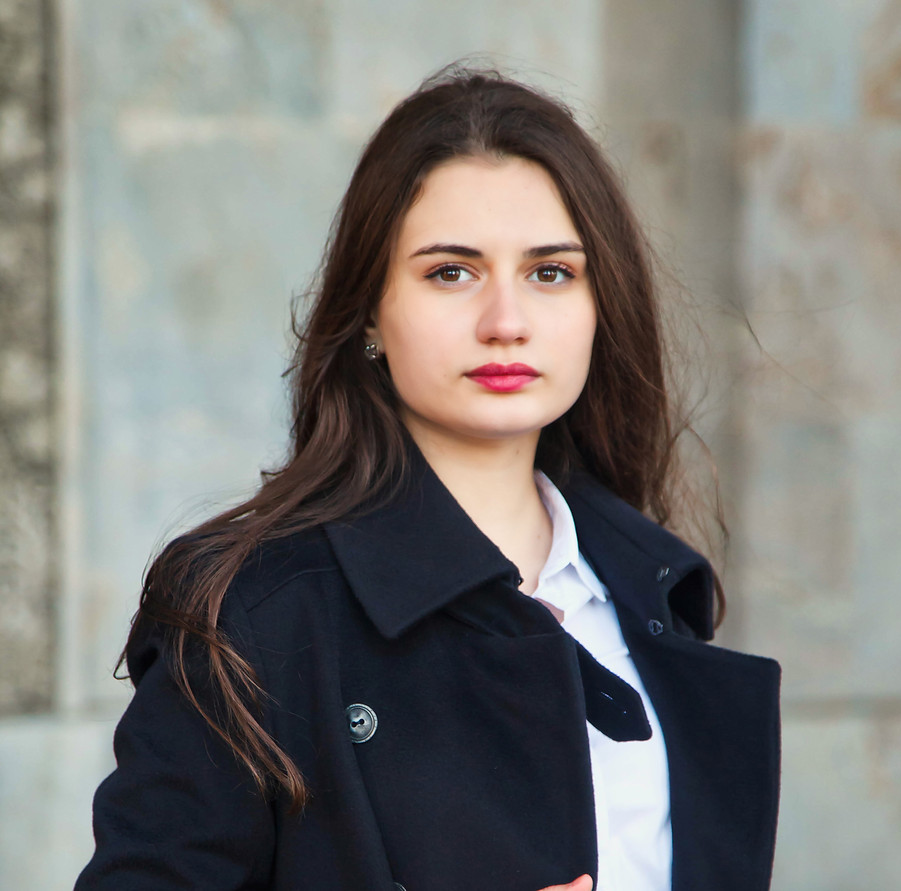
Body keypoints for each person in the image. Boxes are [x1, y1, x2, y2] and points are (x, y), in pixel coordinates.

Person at [76, 67, 780, 891]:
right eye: (452, 271)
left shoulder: (649, 592)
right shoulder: (253, 614)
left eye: (550, 272)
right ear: (371, 309)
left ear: (600, 305)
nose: (506, 322)